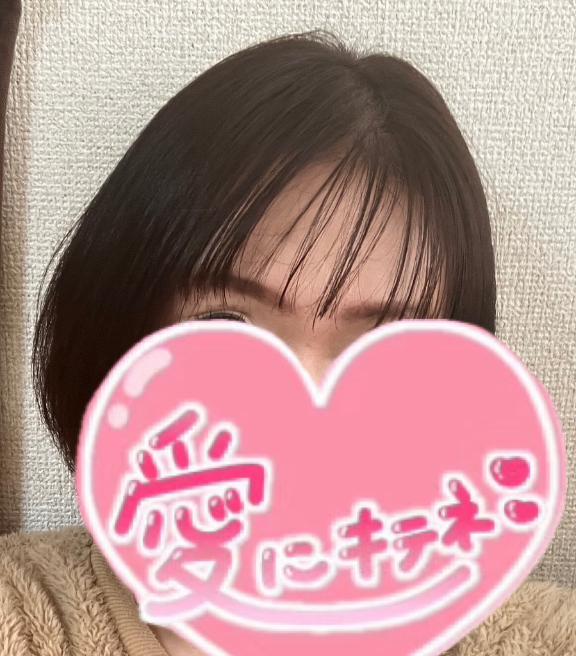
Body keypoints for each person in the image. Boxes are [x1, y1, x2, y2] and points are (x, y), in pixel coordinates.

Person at [0, 29, 574, 656]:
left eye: (386, 345)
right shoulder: (24, 613)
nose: (306, 402)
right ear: (121, 332)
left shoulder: (534, 634)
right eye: (225, 324)